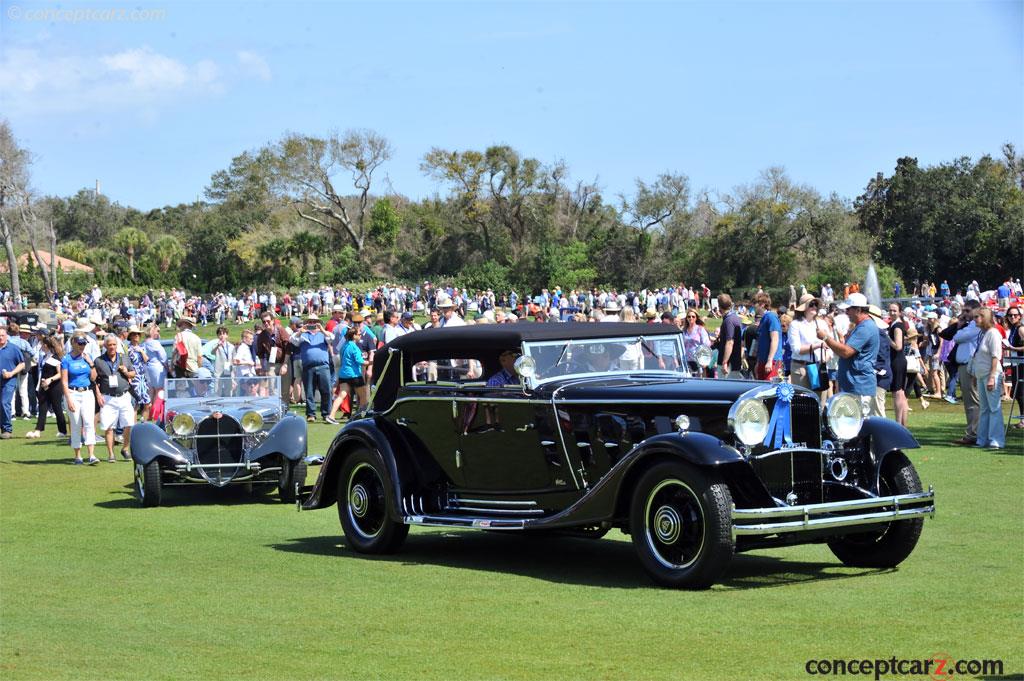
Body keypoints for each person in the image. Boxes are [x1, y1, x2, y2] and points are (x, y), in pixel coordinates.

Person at [817, 293, 878, 415]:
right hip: (855, 385)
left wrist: (825, 338)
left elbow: (846, 352)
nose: (846, 312)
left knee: (858, 427)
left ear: (858, 310)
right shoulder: (862, 326)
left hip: (859, 387)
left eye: (848, 309)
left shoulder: (865, 328)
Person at [94, 335, 137, 462]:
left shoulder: (124, 358)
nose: (112, 347)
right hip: (108, 397)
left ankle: (125, 448)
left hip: (124, 395)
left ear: (116, 345)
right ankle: (111, 454)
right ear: (105, 346)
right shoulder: (99, 361)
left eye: (114, 344)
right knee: (108, 426)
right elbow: (95, 380)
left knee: (129, 424)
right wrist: (98, 395)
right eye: (109, 345)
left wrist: (126, 372)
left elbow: (133, 374)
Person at [945, 301, 982, 446]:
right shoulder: (970, 325)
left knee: (973, 401)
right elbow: (948, 334)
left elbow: (958, 337)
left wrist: (960, 327)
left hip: (969, 366)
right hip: (964, 366)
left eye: (967, 310)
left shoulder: (975, 326)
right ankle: (972, 432)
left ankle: (973, 434)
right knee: (969, 401)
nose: (964, 313)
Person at [61, 331, 98, 463]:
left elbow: (93, 377)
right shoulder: (66, 359)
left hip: (87, 392)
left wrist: (91, 363)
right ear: (74, 343)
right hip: (72, 392)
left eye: (84, 343)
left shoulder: (87, 357)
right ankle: (78, 455)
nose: (82, 346)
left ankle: (92, 455)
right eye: (80, 343)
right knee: (76, 423)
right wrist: (68, 398)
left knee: (89, 422)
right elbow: (64, 381)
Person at [290, 315, 334, 423]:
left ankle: (326, 413)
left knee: (326, 391)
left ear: (318, 323)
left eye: (314, 321)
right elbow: (292, 340)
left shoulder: (323, 334)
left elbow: (331, 338)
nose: (312, 323)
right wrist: (301, 331)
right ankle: (311, 414)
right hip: (308, 367)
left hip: (323, 366)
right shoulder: (303, 335)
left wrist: (322, 330)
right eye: (310, 321)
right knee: (309, 392)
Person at [972, 308, 1005, 449]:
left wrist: (992, 377)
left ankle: (996, 440)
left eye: (977, 317)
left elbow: (995, 356)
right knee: (984, 409)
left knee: (994, 408)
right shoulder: (982, 333)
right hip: (981, 375)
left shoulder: (993, 333)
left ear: (984, 317)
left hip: (991, 375)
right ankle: (982, 438)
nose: (974, 320)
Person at [26, 335, 67, 439]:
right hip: (44, 386)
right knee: (42, 407)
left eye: (42, 344)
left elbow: (60, 374)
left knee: (57, 408)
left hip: (55, 386)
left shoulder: (56, 358)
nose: (40, 346)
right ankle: (38, 430)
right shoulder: (45, 357)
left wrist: (50, 379)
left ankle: (62, 431)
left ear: (45, 345)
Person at [788, 294, 829, 392]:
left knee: (820, 402)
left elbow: (830, 347)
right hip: (801, 369)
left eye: (816, 304)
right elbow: (797, 349)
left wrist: (826, 357)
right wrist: (817, 345)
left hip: (819, 369)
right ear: (804, 308)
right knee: (803, 403)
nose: (814, 307)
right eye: (811, 304)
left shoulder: (822, 323)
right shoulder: (795, 324)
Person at [327, 326, 367, 425]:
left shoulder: (344, 346)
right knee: (364, 397)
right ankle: (359, 417)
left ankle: (331, 416)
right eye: (358, 334)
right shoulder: (354, 347)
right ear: (354, 336)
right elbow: (360, 361)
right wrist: (371, 362)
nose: (360, 335)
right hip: (354, 375)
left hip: (343, 374)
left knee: (341, 396)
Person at [0, 326, 26, 439]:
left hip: (9, 380)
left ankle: (7, 429)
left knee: (4, 402)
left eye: (2, 335)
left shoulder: (13, 348)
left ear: (7, 336)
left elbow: (22, 364)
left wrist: (11, 373)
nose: (0, 337)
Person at [886, 303, 909, 426]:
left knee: (898, 393)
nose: (892, 312)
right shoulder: (896, 325)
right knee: (901, 393)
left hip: (897, 361)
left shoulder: (897, 327)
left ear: (900, 312)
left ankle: (899, 423)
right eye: (890, 310)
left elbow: (898, 346)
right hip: (898, 360)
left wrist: (886, 338)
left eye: (894, 310)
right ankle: (902, 425)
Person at [753, 293, 782, 380]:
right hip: (763, 360)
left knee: (769, 390)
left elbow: (775, 339)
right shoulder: (764, 318)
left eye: (756, 303)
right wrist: (758, 362)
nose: (754, 306)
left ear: (762, 304)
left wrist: (769, 361)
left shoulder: (771, 317)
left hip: (772, 361)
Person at [125, 326, 151, 421]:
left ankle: (144, 424)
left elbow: (146, 360)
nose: (136, 336)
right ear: (130, 336)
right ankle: (134, 428)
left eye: (138, 334)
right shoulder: (127, 349)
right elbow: (126, 363)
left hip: (142, 378)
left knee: (147, 403)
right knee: (135, 404)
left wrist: (141, 351)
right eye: (134, 334)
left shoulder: (142, 347)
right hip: (134, 377)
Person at [716, 294, 744, 379]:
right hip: (733, 363)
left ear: (719, 306)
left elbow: (730, 342)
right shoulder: (735, 317)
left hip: (729, 365)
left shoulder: (729, 320)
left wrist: (725, 362)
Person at [1006, 306, 1024, 429]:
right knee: (1016, 392)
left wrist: (1012, 348)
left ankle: (1023, 420)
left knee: (1021, 392)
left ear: (1020, 316)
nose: (1013, 317)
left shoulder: (1020, 329)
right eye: (1010, 315)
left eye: (1015, 315)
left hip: (1022, 363)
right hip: (1015, 362)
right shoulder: (1013, 329)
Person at [142, 324, 167, 403]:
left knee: (151, 391)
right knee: (159, 390)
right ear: (152, 331)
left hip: (147, 368)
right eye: (157, 331)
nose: (159, 333)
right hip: (157, 368)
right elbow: (163, 358)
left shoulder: (143, 343)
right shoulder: (155, 343)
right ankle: (157, 411)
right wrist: (168, 368)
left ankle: (151, 410)